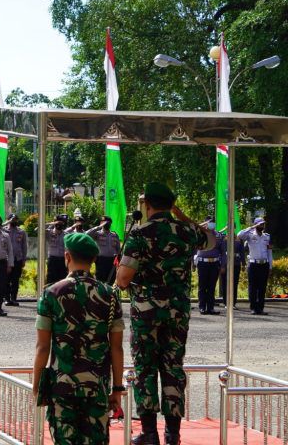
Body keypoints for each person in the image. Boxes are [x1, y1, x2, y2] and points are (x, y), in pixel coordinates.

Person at [116, 182, 215, 445]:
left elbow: (124, 279)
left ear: (147, 204)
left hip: (147, 313)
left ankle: (149, 434)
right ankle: (173, 434)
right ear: (171, 205)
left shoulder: (140, 233)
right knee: (173, 367)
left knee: (145, 368)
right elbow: (210, 238)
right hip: (177, 313)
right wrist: (180, 215)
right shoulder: (186, 232)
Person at [33, 233, 124, 445]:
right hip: (97, 385)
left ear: (66, 256)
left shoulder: (51, 294)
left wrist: (37, 385)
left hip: (62, 385)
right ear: (93, 260)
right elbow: (116, 348)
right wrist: (117, 389)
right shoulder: (110, 295)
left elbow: (42, 347)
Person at [238, 217, 272, 316]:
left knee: (262, 287)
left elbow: (269, 252)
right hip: (253, 264)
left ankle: (260, 308)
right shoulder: (250, 235)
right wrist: (252, 227)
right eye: (260, 224)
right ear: (256, 225)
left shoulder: (267, 236)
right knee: (253, 287)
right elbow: (240, 235)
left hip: (264, 264)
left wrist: (270, 266)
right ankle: (253, 308)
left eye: (263, 224)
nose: (262, 226)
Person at [194, 217, 225, 315]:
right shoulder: (199, 234)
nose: (212, 224)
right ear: (205, 224)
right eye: (210, 222)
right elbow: (193, 248)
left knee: (212, 287)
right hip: (203, 263)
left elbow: (223, 252)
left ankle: (210, 308)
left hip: (214, 264)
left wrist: (223, 265)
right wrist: (192, 263)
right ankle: (202, 307)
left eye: (213, 223)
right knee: (202, 286)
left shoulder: (219, 236)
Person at [86, 215, 121, 284]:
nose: (105, 224)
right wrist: (98, 227)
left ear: (110, 223)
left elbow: (118, 249)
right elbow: (86, 234)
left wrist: (119, 260)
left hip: (112, 261)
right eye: (103, 222)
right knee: (100, 280)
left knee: (111, 279)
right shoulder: (97, 234)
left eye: (107, 222)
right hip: (101, 261)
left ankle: (109, 293)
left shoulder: (114, 235)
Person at [4, 214, 28, 306]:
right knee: (6, 280)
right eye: (12, 219)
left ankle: (13, 298)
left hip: (17, 259)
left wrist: (24, 259)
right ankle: (7, 299)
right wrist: (8, 222)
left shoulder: (21, 232)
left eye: (15, 219)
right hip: (6, 259)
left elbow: (24, 247)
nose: (14, 221)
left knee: (15, 280)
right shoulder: (4, 230)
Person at [218, 229, 245, 309]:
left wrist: (243, 263)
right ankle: (226, 303)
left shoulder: (239, 239)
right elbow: (221, 252)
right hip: (225, 263)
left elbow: (242, 252)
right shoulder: (223, 238)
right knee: (225, 283)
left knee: (234, 283)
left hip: (236, 263)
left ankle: (233, 303)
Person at [45, 215, 68, 285]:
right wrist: (50, 224)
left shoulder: (66, 234)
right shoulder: (49, 232)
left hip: (62, 260)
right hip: (52, 260)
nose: (58, 225)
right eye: (57, 223)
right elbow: (36, 230)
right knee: (51, 281)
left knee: (62, 281)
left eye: (60, 223)